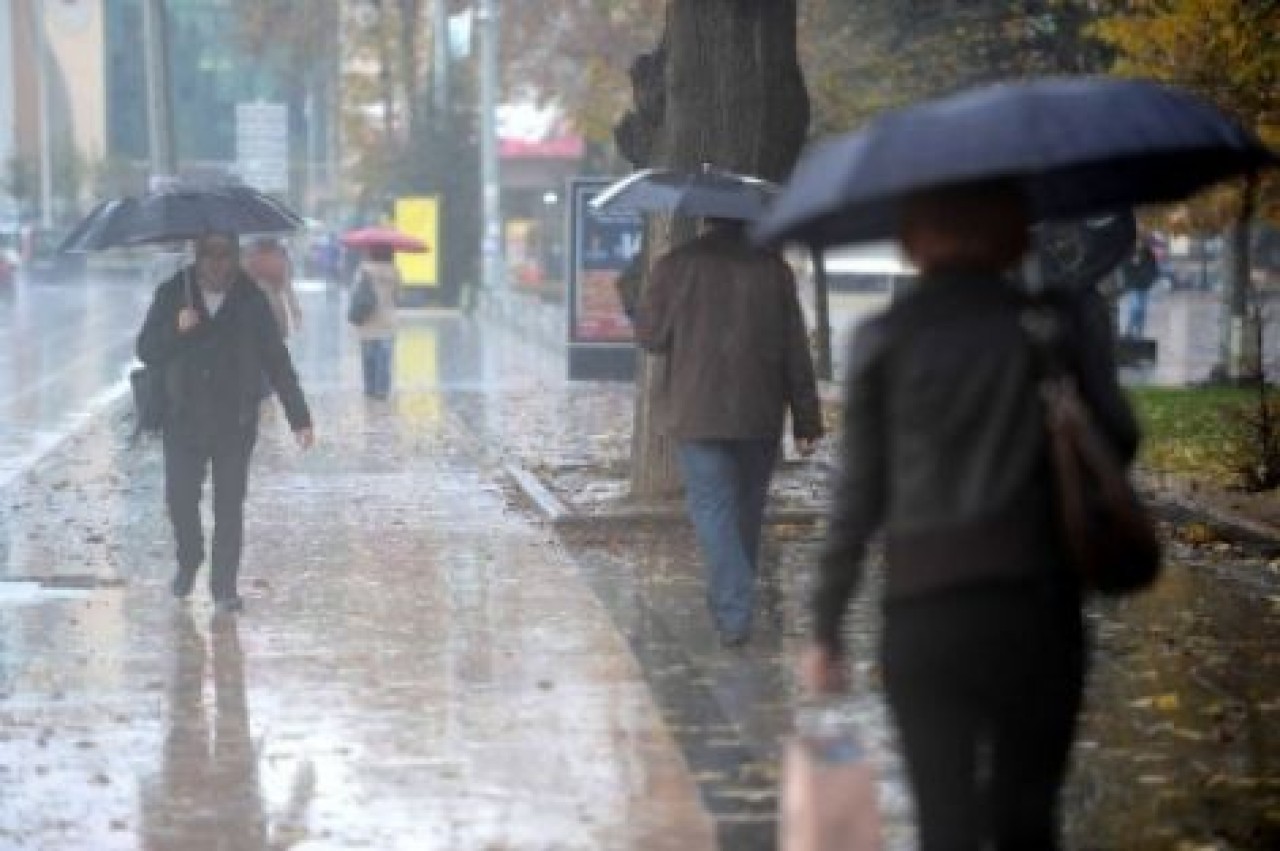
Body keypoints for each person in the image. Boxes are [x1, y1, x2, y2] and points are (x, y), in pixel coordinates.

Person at [799, 182, 1139, 850]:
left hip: (925, 610)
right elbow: (1119, 439)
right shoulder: (1052, 322)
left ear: (915, 238)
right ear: (1015, 233)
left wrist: (826, 625)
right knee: (1028, 818)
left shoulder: (886, 337)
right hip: (1036, 605)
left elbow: (857, 498)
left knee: (943, 821)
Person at [636, 217, 823, 647]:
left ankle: (734, 610)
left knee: (713, 507)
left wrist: (639, 296)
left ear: (706, 220)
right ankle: (732, 606)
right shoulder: (773, 269)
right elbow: (797, 349)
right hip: (759, 413)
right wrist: (806, 418)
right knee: (745, 512)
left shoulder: (675, 266)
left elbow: (650, 338)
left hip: (696, 412)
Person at [137, 234, 315, 614]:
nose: (218, 264)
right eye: (210, 255)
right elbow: (146, 349)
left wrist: (299, 417)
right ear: (197, 256)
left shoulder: (251, 298)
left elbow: (276, 360)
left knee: (229, 505)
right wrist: (176, 329)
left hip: (235, 419)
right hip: (182, 419)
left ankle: (224, 587)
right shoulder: (173, 292)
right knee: (180, 500)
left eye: (226, 255)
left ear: (237, 256)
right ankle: (190, 559)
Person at [354, 245, 402, 399]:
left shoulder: (364, 269)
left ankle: (370, 389)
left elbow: (356, 292)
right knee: (384, 359)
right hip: (388, 320)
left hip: (368, 321)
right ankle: (382, 390)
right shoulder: (394, 270)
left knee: (368, 359)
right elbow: (398, 295)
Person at [243, 237, 303, 340]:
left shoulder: (247, 254)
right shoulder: (280, 255)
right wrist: (296, 314)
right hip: (270, 310)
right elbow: (288, 289)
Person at [1120, 238, 1159, 339]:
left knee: (1142, 310)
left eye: (1140, 241)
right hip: (1134, 286)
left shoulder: (1148, 255)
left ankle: (1139, 332)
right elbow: (1124, 268)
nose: (1139, 243)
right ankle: (1129, 330)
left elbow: (1154, 270)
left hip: (1144, 286)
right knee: (1136, 308)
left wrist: (1149, 280)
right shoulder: (1129, 253)